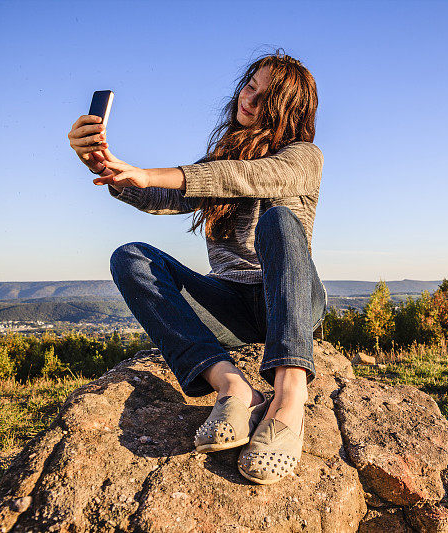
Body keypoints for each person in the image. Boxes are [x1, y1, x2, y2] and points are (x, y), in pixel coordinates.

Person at [66, 49, 325, 485]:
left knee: (279, 220)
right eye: (250, 87)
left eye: (265, 99)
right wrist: (108, 170)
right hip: (229, 304)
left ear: (288, 112)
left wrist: (152, 173)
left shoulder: (304, 157)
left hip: (289, 300)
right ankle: (233, 386)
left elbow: (247, 178)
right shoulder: (224, 156)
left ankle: (288, 398)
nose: (249, 100)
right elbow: (166, 197)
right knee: (131, 257)